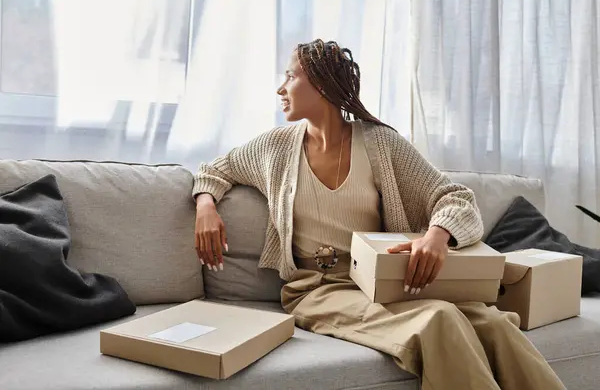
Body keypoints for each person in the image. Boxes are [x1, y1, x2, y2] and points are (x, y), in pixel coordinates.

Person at [192, 39, 565, 390]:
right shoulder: (274, 146)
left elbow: (455, 198)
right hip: (318, 290)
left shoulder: (380, 143)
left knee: (492, 323)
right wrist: (206, 206)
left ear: (321, 85)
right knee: (439, 320)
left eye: (290, 76)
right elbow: (214, 170)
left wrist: (437, 235)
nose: (281, 88)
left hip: (384, 281)